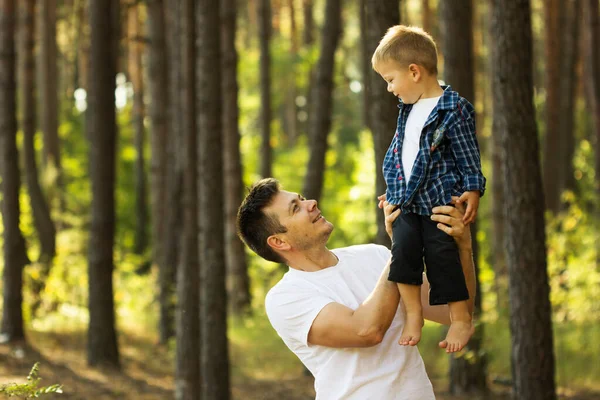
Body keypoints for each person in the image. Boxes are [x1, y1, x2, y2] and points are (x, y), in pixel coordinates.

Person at [236, 178, 476, 399]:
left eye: (301, 198)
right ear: (279, 242)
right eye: (295, 208)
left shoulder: (375, 255)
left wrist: (463, 246)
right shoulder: (285, 298)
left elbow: (454, 313)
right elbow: (366, 330)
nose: (311, 203)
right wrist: (404, 245)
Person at [371, 25, 485, 352]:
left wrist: (473, 188)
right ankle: (413, 314)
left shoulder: (453, 108)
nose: (390, 89)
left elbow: (467, 152)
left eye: (391, 80)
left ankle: (461, 318)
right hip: (405, 201)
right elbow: (404, 153)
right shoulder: (407, 109)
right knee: (403, 254)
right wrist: (394, 188)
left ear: (414, 71)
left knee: (442, 255)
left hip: (437, 201)